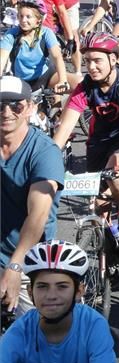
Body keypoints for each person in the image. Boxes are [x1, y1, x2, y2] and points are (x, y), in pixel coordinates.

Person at [53, 32, 119, 265]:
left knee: (115, 170)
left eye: (97, 60)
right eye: (87, 61)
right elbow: (65, 128)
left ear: (113, 60)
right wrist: (49, 159)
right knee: (99, 208)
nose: (92, 67)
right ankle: (105, 266)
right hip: (98, 144)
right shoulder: (85, 87)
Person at [0, 240, 117, 363]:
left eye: (62, 286)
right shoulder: (21, 330)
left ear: (79, 291)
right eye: (42, 286)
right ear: (30, 293)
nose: (51, 295)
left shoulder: (93, 325)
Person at [0, 76, 63, 316]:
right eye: (0, 105)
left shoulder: (44, 152)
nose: (6, 111)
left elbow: (38, 215)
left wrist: (15, 266)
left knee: (42, 337)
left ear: (30, 108)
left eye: (15, 105)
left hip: (29, 259)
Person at [0, 0, 70, 93]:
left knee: (79, 83)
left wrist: (63, 80)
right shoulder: (11, 34)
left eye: (28, 17)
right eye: (21, 16)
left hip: (46, 76)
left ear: (39, 20)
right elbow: (2, 59)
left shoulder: (46, 33)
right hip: (22, 81)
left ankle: (57, 106)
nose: (23, 20)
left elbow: (57, 57)